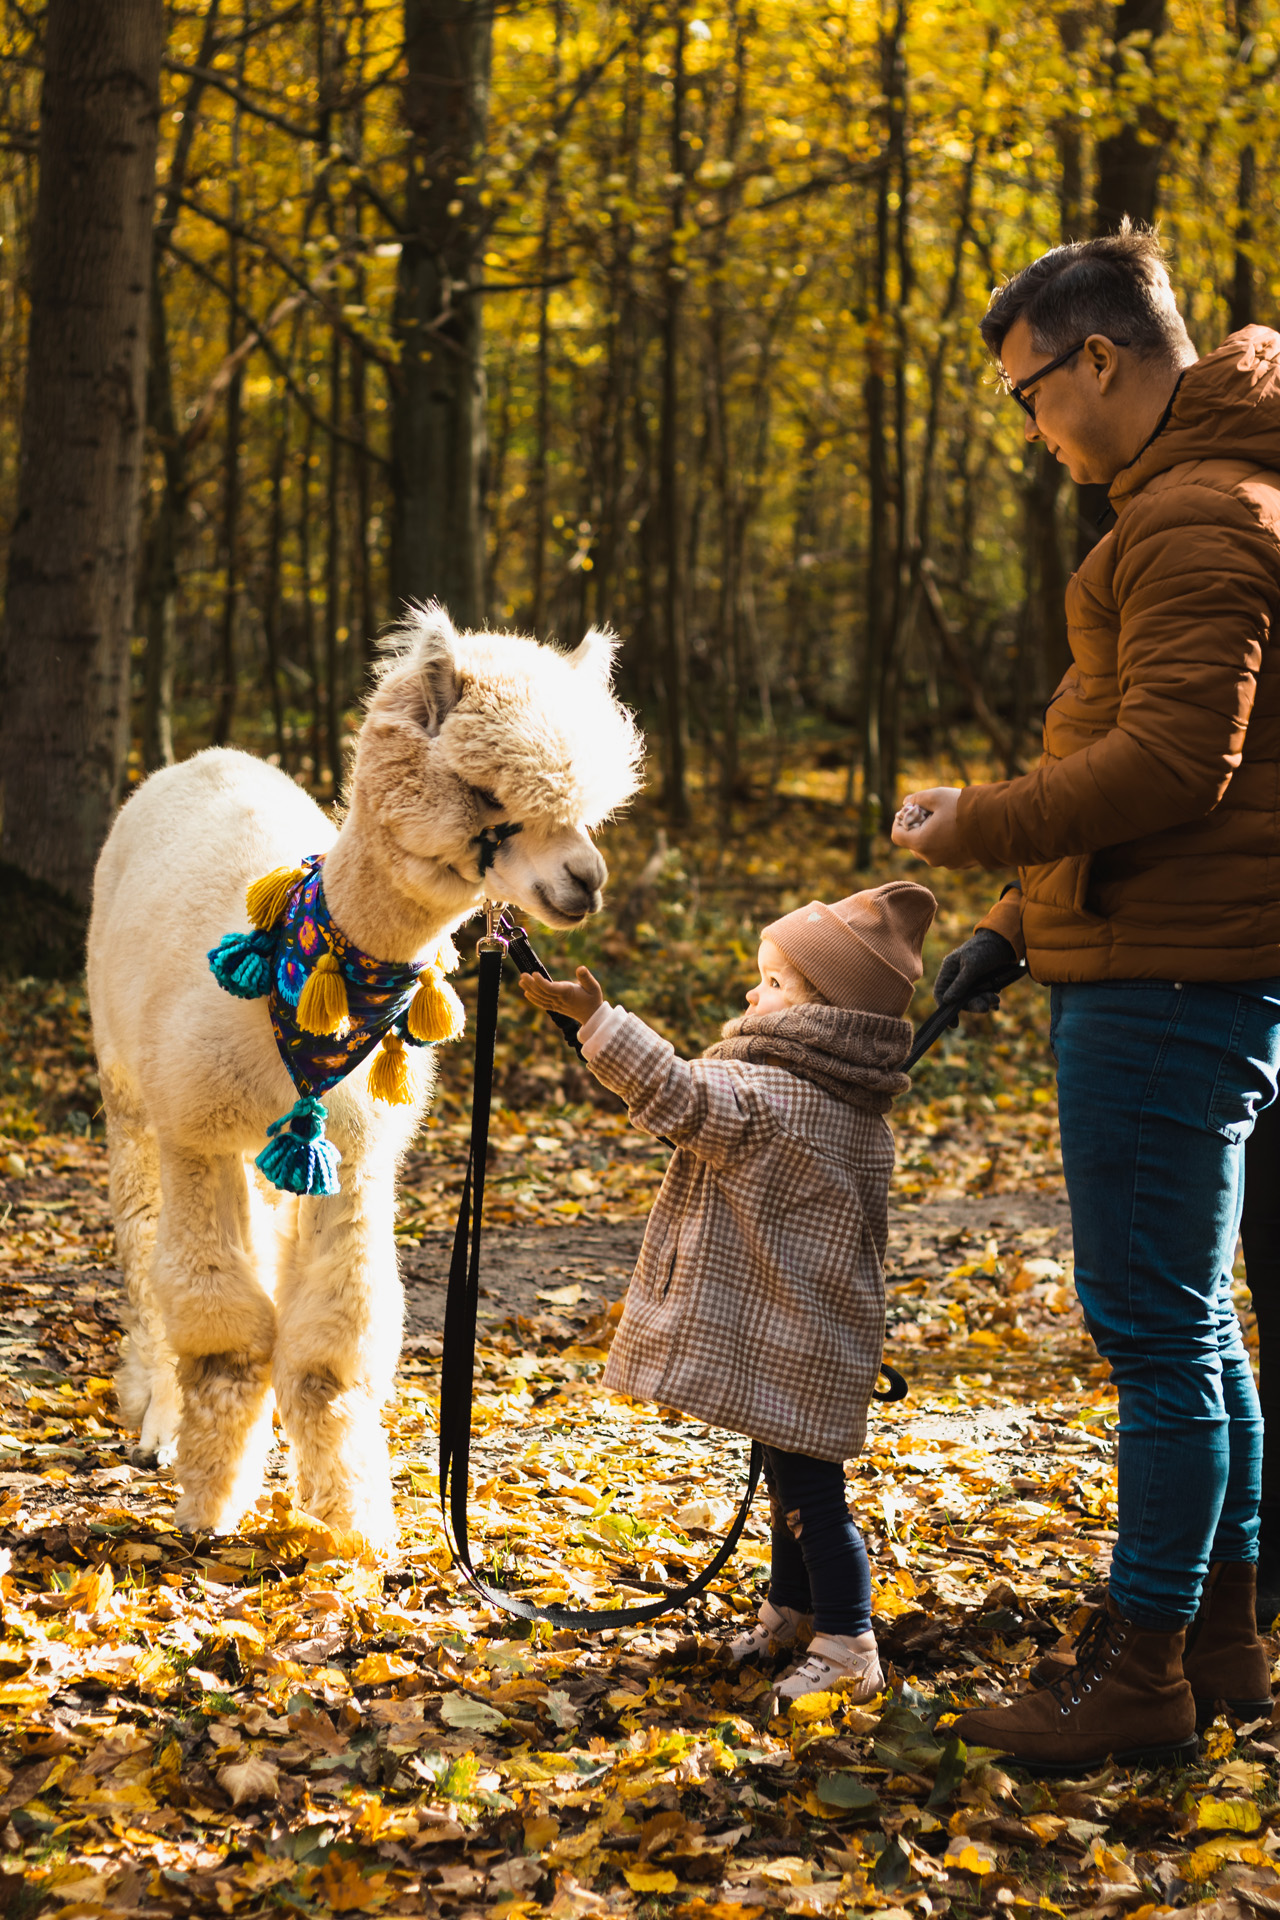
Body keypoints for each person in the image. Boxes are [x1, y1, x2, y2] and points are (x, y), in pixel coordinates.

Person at [893, 223, 1280, 1770]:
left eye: (1030, 393)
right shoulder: (1231, 492)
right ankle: (1227, 1644)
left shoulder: (1191, 523)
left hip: (1173, 985)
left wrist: (976, 819)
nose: (1034, 429)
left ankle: (1135, 1676)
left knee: (1160, 1341)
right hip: (1192, 950)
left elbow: (1177, 771)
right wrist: (1011, 921)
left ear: (1100, 360)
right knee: (1207, 1335)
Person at [519, 881, 936, 1701]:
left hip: (796, 1333)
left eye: (775, 984)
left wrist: (596, 1023)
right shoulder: (855, 1109)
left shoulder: (775, 1095)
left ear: (829, 1016)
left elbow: (678, 1093)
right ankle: (794, 1610)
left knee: (813, 1498)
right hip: (819, 1336)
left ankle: (850, 1641)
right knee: (792, 1481)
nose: (754, 994)